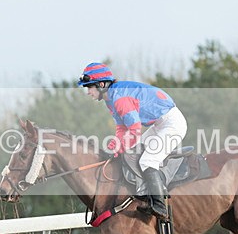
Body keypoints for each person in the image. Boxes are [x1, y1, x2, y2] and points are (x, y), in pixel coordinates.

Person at [77, 62, 187, 220]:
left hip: (172, 124)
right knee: (134, 154)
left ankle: (160, 206)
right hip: (159, 123)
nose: (88, 92)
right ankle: (145, 193)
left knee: (147, 161)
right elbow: (122, 128)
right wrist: (114, 147)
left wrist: (121, 148)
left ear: (101, 84)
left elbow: (134, 130)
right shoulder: (111, 99)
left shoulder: (119, 99)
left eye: (89, 87)